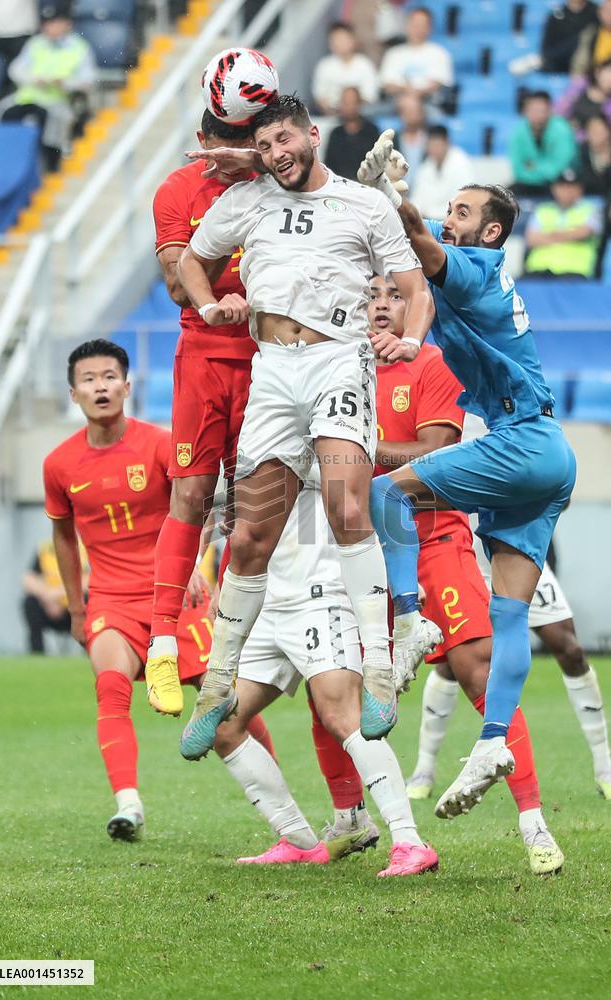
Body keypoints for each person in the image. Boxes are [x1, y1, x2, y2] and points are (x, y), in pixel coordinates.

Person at [176, 95, 435, 757]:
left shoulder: (363, 204)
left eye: (285, 139)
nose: (276, 154)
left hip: (337, 362)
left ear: (312, 135)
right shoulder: (247, 200)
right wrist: (208, 307)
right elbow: (188, 262)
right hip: (273, 371)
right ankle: (217, 687)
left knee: (349, 503)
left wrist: (410, 339)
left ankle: (378, 671)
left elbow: (414, 286)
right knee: (253, 534)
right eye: (264, 146)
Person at [359, 136, 576, 819]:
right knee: (508, 614)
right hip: (552, 457)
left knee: (385, 491)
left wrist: (394, 195)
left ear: (491, 230)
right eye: (447, 206)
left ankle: (410, 618)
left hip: (523, 440)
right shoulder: (471, 280)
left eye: (462, 209)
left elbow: (421, 245)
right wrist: (415, 340)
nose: (449, 216)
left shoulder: (477, 266)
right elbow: (422, 281)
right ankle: (490, 742)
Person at [368, 274, 564, 875]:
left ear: (417, 305)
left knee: (477, 665)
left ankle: (534, 825)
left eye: (393, 294)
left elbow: (430, 457)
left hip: (432, 536)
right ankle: (363, 823)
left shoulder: (432, 363)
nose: (379, 304)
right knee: (341, 689)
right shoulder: (334, 369)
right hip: (353, 547)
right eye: (367, 295)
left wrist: (342, 453)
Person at [43, 339, 274, 841]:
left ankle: (282, 806)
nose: (100, 386)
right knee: (110, 686)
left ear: (127, 387)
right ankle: (128, 805)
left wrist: (195, 563)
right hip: (110, 600)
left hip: (173, 595)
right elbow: (62, 535)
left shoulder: (160, 444)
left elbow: (201, 502)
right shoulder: (59, 464)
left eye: (109, 376)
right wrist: (77, 606)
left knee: (223, 701)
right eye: (89, 379)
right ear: (73, 393)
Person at [205, 467, 439, 877]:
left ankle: (409, 842)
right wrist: (228, 581)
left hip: (320, 594)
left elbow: (364, 485)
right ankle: (297, 840)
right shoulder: (251, 428)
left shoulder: (326, 420)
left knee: (342, 714)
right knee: (222, 723)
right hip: (265, 599)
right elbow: (246, 517)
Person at [146, 111, 259, 717]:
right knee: (190, 494)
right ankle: (164, 643)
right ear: (202, 142)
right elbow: (174, 283)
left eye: (247, 139)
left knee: (254, 506)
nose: (236, 150)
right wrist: (216, 293)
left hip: (273, 358)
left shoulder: (275, 179)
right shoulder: (177, 189)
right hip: (203, 357)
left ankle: (235, 644)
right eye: (226, 140)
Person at [413, 557, 611, 803]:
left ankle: (606, 770)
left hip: (517, 556)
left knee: (570, 651)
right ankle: (423, 771)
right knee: (452, 664)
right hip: (466, 563)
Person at [2, 3, 96, 171]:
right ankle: (10, 164)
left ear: (68, 23)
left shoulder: (79, 47)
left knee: (51, 122)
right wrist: (33, 79)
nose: (51, 27)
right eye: (48, 23)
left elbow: (88, 78)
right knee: (6, 117)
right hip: (29, 98)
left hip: (58, 100)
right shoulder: (35, 44)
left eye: (56, 22)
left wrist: (65, 83)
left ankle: (51, 166)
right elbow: (15, 69)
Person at [524, 169, 602, 279]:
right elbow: (531, 239)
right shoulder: (542, 210)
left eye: (572, 186)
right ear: (554, 189)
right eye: (562, 186)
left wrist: (547, 236)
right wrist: (569, 235)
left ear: (580, 190)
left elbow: (584, 232)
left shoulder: (591, 210)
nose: (567, 191)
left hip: (575, 271)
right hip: (538, 270)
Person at [21, 539, 87, 654]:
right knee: (29, 602)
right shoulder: (45, 549)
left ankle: (90, 651)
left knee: (91, 601)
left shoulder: (85, 549)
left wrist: (59, 595)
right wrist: (47, 598)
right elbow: (28, 580)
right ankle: (37, 653)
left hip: (76, 610)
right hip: (50, 609)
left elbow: (90, 581)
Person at [509, 91, 577, 197]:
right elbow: (518, 168)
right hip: (526, 183)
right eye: (533, 110)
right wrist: (544, 169)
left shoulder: (561, 129)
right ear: (525, 111)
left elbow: (560, 166)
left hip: (557, 183)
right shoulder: (519, 132)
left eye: (542, 110)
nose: (538, 115)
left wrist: (533, 167)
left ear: (550, 111)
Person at [379, 7, 454, 105]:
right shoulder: (393, 53)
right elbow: (387, 84)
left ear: (429, 28)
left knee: (411, 102)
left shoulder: (439, 53)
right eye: (415, 24)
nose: (418, 28)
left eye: (423, 25)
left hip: (428, 102)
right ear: (407, 25)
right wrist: (407, 91)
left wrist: (415, 94)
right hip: (395, 102)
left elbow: (438, 84)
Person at [311, 20, 378, 115]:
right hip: (331, 115)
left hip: (361, 115)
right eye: (335, 39)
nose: (340, 43)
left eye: (343, 39)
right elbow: (319, 98)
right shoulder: (324, 66)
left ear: (353, 40)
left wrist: (350, 107)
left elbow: (370, 97)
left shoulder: (364, 64)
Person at [559, 58, 611, 135]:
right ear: (598, 72)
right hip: (567, 134)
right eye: (610, 73)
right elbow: (560, 110)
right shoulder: (579, 87)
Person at [411, 124, 474, 221]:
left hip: (453, 219)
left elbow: (465, 198)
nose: (434, 149)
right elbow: (417, 199)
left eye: (437, 144)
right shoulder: (426, 166)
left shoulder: (460, 161)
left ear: (447, 143)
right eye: (431, 145)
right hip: (428, 220)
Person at [324, 87, 380, 181]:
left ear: (359, 104)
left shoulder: (371, 131)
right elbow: (329, 167)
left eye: (353, 102)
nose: (349, 106)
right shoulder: (335, 134)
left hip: (367, 187)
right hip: (339, 187)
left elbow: (377, 164)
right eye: (346, 103)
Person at [572, 0, 611, 77]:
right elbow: (580, 61)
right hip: (594, 79)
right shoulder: (590, 33)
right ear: (600, 12)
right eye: (608, 11)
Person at [577, 112, 611, 195]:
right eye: (589, 129)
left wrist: (608, 165)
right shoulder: (582, 151)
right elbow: (584, 182)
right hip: (591, 197)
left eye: (597, 130)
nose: (592, 134)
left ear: (608, 131)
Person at [541, 0, 599, 73]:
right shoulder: (556, 15)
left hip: (588, 68)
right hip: (559, 65)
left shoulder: (596, 13)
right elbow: (546, 51)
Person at [393, 92, 428, 186]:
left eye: (414, 111)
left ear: (422, 113)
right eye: (407, 111)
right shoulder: (392, 141)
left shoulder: (430, 139)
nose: (411, 115)